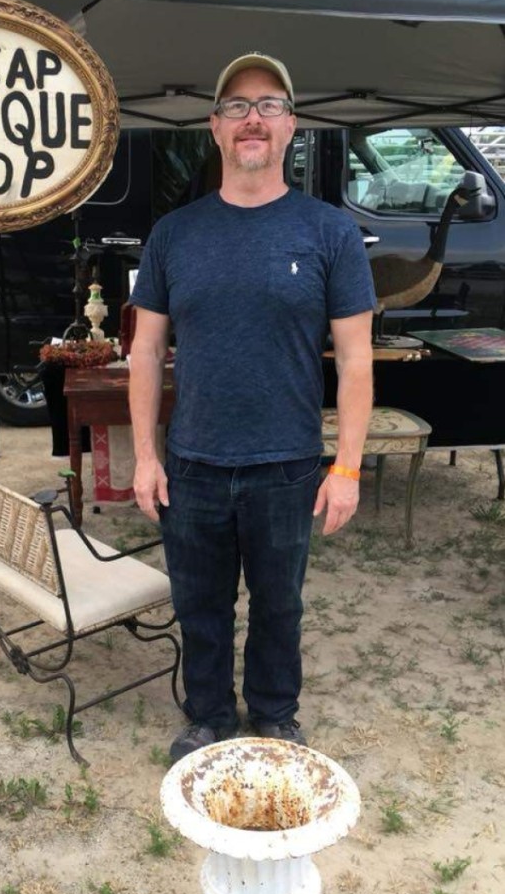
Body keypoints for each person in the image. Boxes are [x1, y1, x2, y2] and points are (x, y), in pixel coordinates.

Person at [128, 53, 375, 764]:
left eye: (269, 105)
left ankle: (273, 715)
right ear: (214, 128)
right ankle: (208, 717)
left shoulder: (329, 233)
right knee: (200, 609)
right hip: (194, 464)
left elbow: (355, 360)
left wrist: (348, 468)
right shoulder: (175, 233)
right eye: (236, 107)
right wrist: (146, 455)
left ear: (292, 126)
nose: (253, 119)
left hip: (288, 465)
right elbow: (146, 352)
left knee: (279, 608)